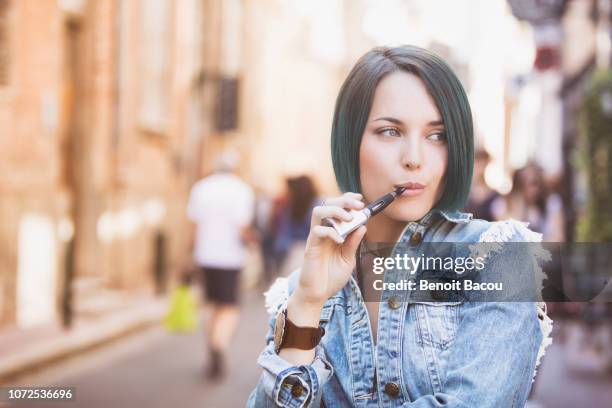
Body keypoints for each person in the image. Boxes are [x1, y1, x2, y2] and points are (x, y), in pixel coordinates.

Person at [248, 45, 552, 407]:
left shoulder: (496, 257)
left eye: (436, 135)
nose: (414, 159)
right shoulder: (303, 291)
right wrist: (308, 304)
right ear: (351, 141)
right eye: (390, 132)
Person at [186, 150, 255, 380]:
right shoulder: (241, 190)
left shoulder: (201, 188)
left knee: (211, 304)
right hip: (230, 257)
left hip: (205, 255)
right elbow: (242, 226)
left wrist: (188, 254)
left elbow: (193, 226)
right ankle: (219, 344)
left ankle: (212, 344)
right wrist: (252, 240)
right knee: (229, 307)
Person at [491, 162, 565, 242]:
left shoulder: (551, 202)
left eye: (535, 183)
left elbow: (559, 238)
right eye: (523, 183)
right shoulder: (503, 204)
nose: (532, 189)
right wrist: (520, 206)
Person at [464, 149, 498, 221]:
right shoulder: (462, 192)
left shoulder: (494, 195)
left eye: (483, 164)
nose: (480, 168)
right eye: (477, 163)